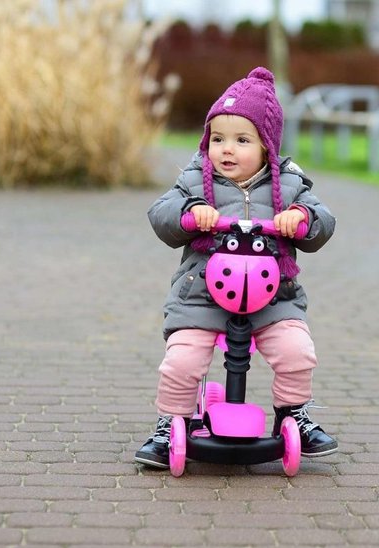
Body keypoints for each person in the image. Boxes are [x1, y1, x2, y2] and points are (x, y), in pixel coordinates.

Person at [136, 67, 338, 468]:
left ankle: (293, 413)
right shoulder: (195, 180)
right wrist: (190, 213)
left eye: (242, 140)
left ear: (266, 147)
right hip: (201, 296)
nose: (226, 150)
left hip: (274, 297)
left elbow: (324, 221)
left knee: (297, 352)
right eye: (218, 139)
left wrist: (301, 217)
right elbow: (160, 213)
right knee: (182, 361)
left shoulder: (289, 186)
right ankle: (170, 422)